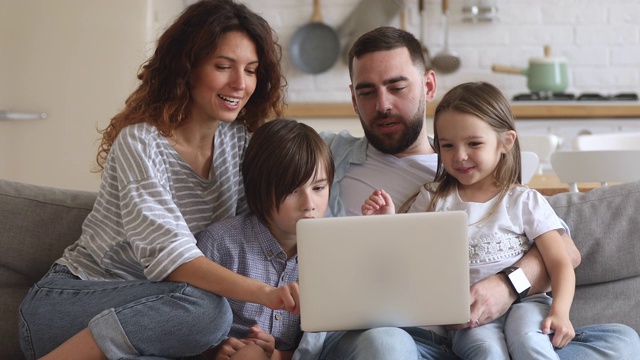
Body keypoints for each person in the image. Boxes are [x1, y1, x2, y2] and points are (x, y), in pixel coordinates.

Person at [293, 26, 640, 360]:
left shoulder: (474, 169)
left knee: (623, 342)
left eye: (397, 87)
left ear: (428, 85)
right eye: (367, 92)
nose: (382, 104)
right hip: (396, 335)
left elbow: (565, 252)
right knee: (388, 345)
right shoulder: (327, 155)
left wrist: (507, 285)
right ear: (353, 98)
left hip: (483, 329)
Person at [18, 1, 293, 359]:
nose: (240, 84)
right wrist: (266, 295)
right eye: (223, 66)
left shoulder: (239, 145)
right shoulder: (141, 143)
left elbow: (247, 243)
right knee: (206, 312)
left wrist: (246, 337)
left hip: (165, 315)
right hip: (67, 306)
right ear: (187, 68)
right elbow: (173, 261)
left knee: (212, 321)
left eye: (252, 70)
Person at [362, 81, 576, 359]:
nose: (460, 156)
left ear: (505, 142)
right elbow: (404, 254)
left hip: (526, 304)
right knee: (486, 351)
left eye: (473, 143)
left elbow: (560, 260)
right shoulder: (432, 198)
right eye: (448, 145)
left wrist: (560, 311)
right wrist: (387, 222)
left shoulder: (523, 200)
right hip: (468, 316)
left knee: (529, 342)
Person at [196, 119, 334, 360]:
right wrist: (214, 349)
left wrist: (277, 354)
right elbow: (188, 319)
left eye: (319, 188)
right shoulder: (220, 243)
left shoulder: (332, 252)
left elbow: (328, 343)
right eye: (292, 191)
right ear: (259, 190)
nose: (309, 204)